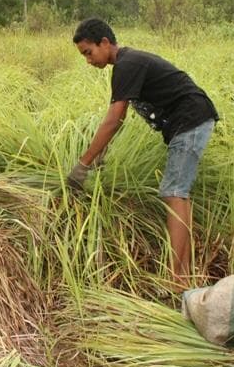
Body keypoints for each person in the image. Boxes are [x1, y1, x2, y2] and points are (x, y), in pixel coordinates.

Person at [67, 18, 218, 290]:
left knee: (174, 192)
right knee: (176, 193)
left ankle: (177, 279)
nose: (88, 61)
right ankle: (184, 274)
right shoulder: (127, 63)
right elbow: (119, 121)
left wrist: (83, 165)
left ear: (104, 42)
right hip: (187, 122)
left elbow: (114, 118)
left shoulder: (127, 64)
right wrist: (102, 153)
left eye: (88, 52)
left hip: (192, 119)